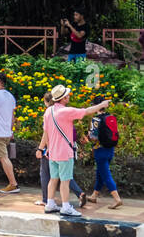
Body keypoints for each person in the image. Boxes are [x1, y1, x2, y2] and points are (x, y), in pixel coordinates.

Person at [39, 84, 109, 217]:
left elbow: (46, 132)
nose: (69, 96)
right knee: (65, 181)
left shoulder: (49, 111)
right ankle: (66, 207)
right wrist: (102, 105)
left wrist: (45, 148)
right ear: (63, 98)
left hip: (52, 152)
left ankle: (50, 203)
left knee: (53, 179)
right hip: (64, 152)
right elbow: (87, 111)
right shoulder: (66, 111)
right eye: (67, 94)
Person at [86, 95, 123, 209]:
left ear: (95, 106)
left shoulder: (96, 119)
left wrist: (87, 135)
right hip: (110, 149)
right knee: (100, 173)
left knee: (106, 175)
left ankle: (117, 199)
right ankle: (94, 195)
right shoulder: (110, 117)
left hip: (100, 150)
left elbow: (93, 137)